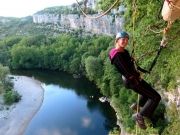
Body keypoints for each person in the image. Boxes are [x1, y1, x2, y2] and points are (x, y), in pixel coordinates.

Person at [109, 31, 161, 129]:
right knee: (156, 97)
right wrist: (137, 76)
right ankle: (139, 116)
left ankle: (137, 106)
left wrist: (132, 62)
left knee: (147, 93)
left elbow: (130, 65)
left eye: (127, 40)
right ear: (117, 40)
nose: (125, 41)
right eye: (123, 39)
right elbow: (126, 71)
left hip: (132, 79)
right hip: (132, 80)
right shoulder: (117, 56)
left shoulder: (123, 52)